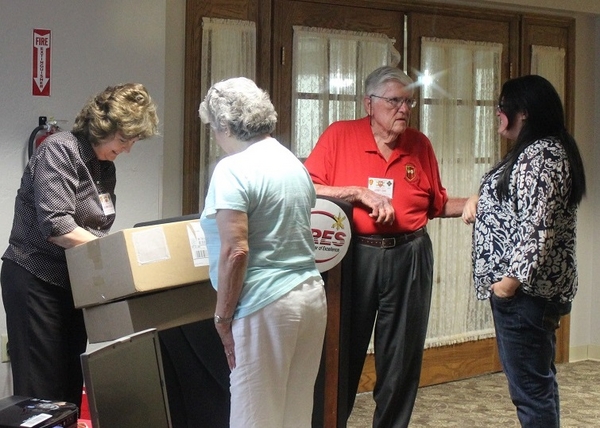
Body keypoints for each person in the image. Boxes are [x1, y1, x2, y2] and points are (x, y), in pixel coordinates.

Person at [303, 65, 466, 427]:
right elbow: (306, 188)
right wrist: (358, 192)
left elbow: (436, 204)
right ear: (369, 103)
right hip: (353, 256)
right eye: (394, 100)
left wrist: (475, 202)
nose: (404, 109)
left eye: (408, 101)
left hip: (410, 255)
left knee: (401, 361)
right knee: (340, 355)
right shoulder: (339, 136)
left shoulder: (419, 145)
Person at [1, 83, 159, 408]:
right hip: (36, 283)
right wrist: (121, 253)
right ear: (105, 127)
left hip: (73, 288)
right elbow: (57, 225)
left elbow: (95, 228)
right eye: (125, 139)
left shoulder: (105, 168)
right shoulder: (59, 150)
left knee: (69, 392)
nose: (129, 148)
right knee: (41, 394)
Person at [198, 77, 327, 428]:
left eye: (213, 127)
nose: (214, 136)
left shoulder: (233, 168)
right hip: (309, 298)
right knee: (294, 414)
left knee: (253, 417)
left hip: (263, 305)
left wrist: (223, 320)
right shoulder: (291, 163)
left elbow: (236, 251)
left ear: (225, 124)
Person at [462, 75, 586, 427]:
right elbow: (517, 202)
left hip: (525, 296)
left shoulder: (542, 156)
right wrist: (477, 199)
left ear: (524, 113)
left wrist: (508, 284)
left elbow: (538, 229)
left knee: (531, 391)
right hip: (526, 295)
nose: (498, 113)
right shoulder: (535, 151)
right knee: (537, 386)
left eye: (503, 107)